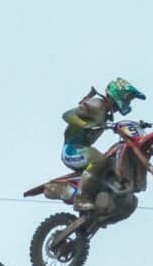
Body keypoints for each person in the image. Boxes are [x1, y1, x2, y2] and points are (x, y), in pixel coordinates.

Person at [61, 77, 145, 212]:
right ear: (119, 94)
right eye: (128, 98)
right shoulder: (96, 104)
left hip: (81, 150)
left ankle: (100, 200)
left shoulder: (104, 114)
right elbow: (67, 115)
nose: (128, 102)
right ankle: (79, 198)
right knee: (98, 159)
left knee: (108, 163)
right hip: (71, 150)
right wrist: (84, 124)